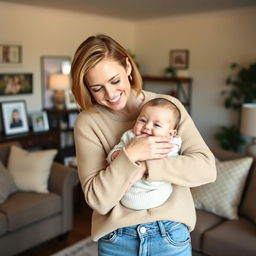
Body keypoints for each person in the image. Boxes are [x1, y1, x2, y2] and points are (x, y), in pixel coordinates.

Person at [71, 34, 216, 256]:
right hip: (116, 240)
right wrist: (131, 153)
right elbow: (97, 199)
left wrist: (147, 166)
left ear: (128, 66)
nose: (110, 95)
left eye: (114, 80)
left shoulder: (169, 109)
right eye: (97, 88)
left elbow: (206, 169)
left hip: (170, 235)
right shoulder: (87, 123)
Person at [106, 97, 182, 210]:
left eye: (156, 125)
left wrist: (145, 166)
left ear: (171, 133)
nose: (147, 126)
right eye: (143, 120)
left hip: (156, 192)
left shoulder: (169, 143)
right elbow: (115, 151)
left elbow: (173, 164)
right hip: (129, 193)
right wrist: (116, 155)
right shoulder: (130, 136)